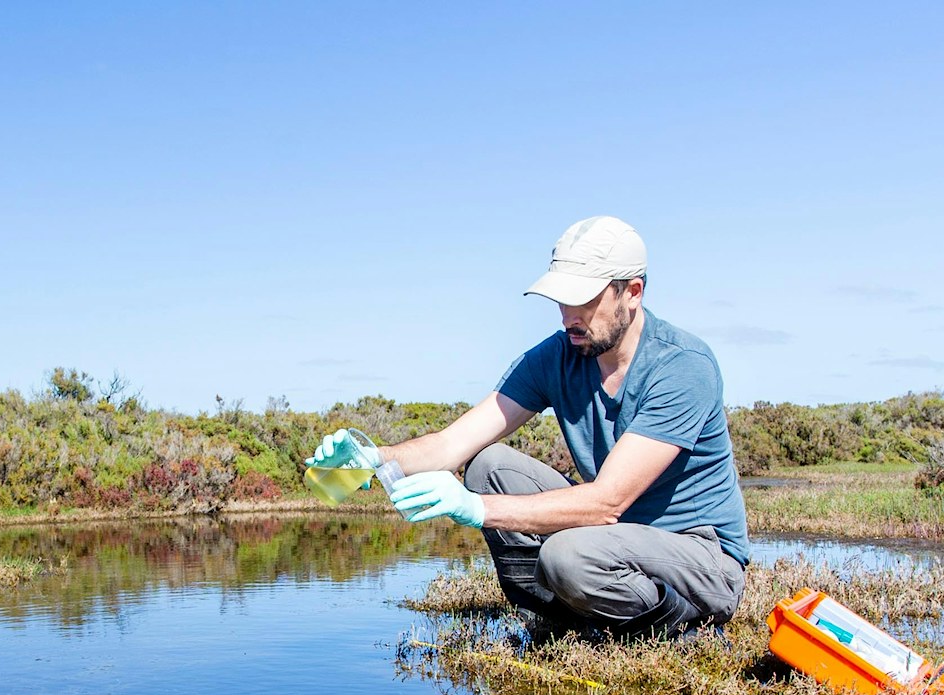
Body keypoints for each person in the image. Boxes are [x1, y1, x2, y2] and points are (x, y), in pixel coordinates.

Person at [311, 215, 748, 638]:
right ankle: (563, 611)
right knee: (488, 465)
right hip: (611, 541)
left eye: (585, 300)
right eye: (562, 300)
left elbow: (607, 503)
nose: (568, 316)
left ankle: (677, 626)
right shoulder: (559, 354)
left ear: (632, 292)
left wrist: (475, 507)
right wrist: (376, 458)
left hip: (699, 555)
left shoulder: (682, 366)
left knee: (568, 555)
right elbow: (453, 444)